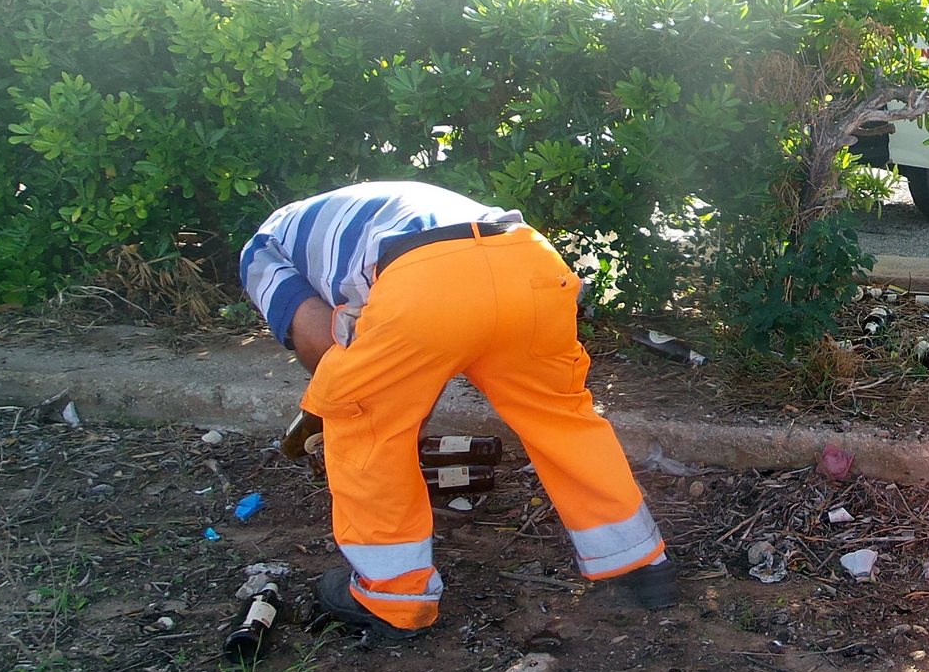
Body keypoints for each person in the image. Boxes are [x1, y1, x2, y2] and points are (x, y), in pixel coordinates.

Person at [240, 181, 677, 643]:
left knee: (364, 423)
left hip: (427, 278)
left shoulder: (260, 251)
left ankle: (391, 598)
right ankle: (639, 562)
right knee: (560, 417)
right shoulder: (364, 211)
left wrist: (347, 407)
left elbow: (323, 345)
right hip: (527, 261)